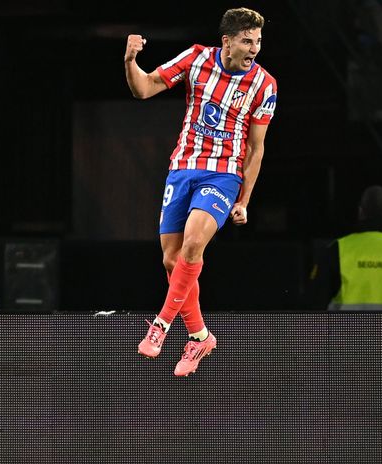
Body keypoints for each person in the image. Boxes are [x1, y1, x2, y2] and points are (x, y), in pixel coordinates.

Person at [124, 7, 277, 376]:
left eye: (257, 41)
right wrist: (130, 60)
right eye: (246, 40)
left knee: (193, 244)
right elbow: (143, 88)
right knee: (172, 262)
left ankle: (160, 325)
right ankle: (200, 335)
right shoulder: (196, 59)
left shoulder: (264, 84)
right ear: (227, 41)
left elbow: (256, 149)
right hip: (183, 169)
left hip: (223, 176)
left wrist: (245, 199)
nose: (254, 48)